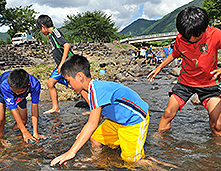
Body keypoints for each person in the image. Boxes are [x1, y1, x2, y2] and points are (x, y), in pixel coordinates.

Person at [50, 54, 150, 166]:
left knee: (132, 161)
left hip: (134, 120)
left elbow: (92, 123)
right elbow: (98, 116)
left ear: (79, 76)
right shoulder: (92, 91)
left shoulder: (97, 90)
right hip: (117, 120)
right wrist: (83, 134)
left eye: (68, 81)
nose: (69, 86)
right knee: (95, 139)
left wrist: (71, 151)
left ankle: (160, 167)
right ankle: (98, 161)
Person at [147, 6, 221, 136]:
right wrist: (159, 67)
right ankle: (159, 142)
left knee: (217, 124)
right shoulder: (180, 38)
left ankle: (215, 152)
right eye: (187, 36)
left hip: (209, 83)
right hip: (185, 82)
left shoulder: (215, 34)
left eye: (196, 35)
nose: (191, 39)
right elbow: (174, 54)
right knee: (168, 113)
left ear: (203, 28)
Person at [36, 14, 88, 114]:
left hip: (68, 64)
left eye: (40, 29)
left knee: (77, 86)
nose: (41, 32)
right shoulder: (51, 35)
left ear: (43, 26)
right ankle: (55, 107)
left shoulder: (55, 32)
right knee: (50, 83)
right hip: (62, 65)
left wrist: (62, 64)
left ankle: (93, 107)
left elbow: (66, 45)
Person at [0, 69, 43, 143]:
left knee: (23, 120)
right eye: (15, 91)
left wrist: (35, 133)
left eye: (20, 91)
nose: (17, 93)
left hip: (21, 96)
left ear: (28, 84)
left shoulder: (35, 84)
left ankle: (12, 136)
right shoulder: (5, 85)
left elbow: (34, 107)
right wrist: (25, 132)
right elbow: (14, 110)